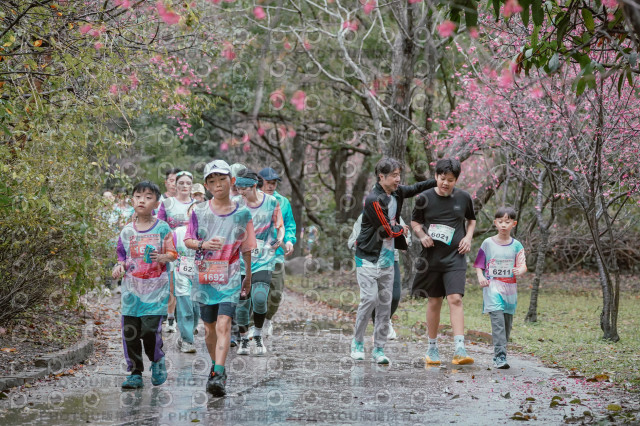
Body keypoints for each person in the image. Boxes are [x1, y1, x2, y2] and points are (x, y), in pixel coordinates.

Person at [351, 157, 436, 364]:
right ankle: (357, 342)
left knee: (385, 305)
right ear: (381, 177)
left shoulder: (396, 192)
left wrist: (437, 180)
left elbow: (415, 188)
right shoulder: (373, 200)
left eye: (399, 175)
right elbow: (387, 230)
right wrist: (402, 229)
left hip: (388, 259)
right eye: (394, 176)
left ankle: (379, 349)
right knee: (369, 299)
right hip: (367, 257)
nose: (398, 179)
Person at [184, 159, 256, 397]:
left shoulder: (242, 214)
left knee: (224, 323)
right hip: (204, 277)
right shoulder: (199, 211)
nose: (218, 184)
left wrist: (248, 276)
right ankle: (216, 367)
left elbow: (247, 248)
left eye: (222, 179)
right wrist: (203, 244)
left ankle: (219, 373)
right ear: (206, 185)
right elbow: (188, 240)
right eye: (212, 181)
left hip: (230, 275)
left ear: (231, 181)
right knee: (209, 328)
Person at [410, 158, 477, 366]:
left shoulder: (464, 197)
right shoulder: (424, 198)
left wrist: (468, 238)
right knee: (434, 301)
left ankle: (460, 349)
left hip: (455, 256)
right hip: (432, 257)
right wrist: (422, 235)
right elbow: (415, 221)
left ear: (456, 180)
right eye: (442, 178)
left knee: (455, 299)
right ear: (436, 176)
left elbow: (471, 220)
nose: (445, 183)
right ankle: (432, 348)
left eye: (450, 180)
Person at [112, 181, 177, 389]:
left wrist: (162, 257)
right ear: (132, 200)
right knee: (130, 332)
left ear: (156, 203)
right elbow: (122, 256)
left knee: (149, 331)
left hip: (155, 290)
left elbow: (173, 253)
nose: (142, 200)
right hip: (131, 291)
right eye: (138, 196)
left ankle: (157, 359)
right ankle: (135, 373)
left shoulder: (162, 228)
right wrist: (119, 266)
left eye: (148, 197)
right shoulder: (127, 231)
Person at [234, 169, 284, 356]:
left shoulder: (271, 202)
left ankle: (257, 334)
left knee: (260, 298)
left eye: (244, 188)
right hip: (240, 259)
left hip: (263, 258)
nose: (240, 192)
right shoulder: (235, 204)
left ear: (254, 186)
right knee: (242, 301)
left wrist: (279, 238)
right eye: (238, 188)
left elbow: (279, 225)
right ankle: (243, 338)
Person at [473, 207, 527, 369]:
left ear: (513, 224)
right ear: (495, 223)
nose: (504, 225)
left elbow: (523, 265)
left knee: (506, 324)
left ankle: (502, 351)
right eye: (500, 221)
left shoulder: (517, 245)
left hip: (510, 291)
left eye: (507, 222)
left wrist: (520, 270)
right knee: (498, 323)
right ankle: (499, 356)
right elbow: (479, 264)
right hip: (492, 289)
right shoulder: (487, 243)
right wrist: (481, 277)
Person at [348, 213, 412, 340]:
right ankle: (377, 328)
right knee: (374, 297)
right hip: (370, 261)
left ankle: (385, 321)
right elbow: (352, 241)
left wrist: (405, 241)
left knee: (395, 296)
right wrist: (357, 244)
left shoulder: (394, 215)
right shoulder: (365, 215)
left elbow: (406, 234)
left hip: (390, 260)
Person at [256, 167, 296, 338]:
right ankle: (251, 325)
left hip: (276, 254)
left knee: (276, 292)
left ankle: (267, 319)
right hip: (256, 255)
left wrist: (289, 240)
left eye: (274, 183)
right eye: (268, 183)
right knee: (255, 292)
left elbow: (289, 224)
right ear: (260, 183)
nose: (271, 186)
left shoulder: (283, 202)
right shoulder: (252, 200)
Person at [158, 171, 196, 333]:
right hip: (172, 250)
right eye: (181, 183)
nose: (184, 186)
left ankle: (188, 321)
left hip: (192, 252)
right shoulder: (167, 204)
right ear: (175, 185)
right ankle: (171, 318)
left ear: (192, 186)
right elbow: (160, 226)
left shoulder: (198, 205)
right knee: (172, 286)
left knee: (190, 287)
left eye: (188, 183)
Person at [171, 202, 203, 354]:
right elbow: (170, 251)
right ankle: (187, 341)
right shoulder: (178, 232)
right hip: (181, 274)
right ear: (188, 212)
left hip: (200, 276)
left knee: (196, 311)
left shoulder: (208, 233)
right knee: (186, 308)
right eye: (193, 209)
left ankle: (186, 334)